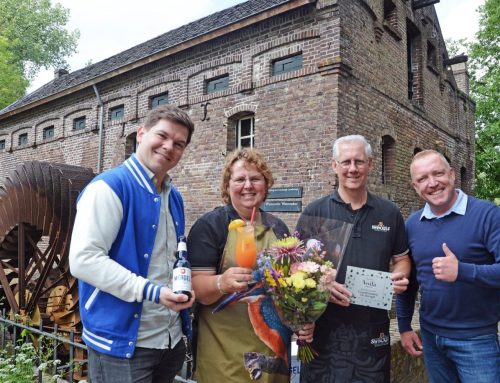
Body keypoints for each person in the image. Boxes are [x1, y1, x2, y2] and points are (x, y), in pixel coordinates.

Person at [69, 105, 196, 383]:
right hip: (122, 346)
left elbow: (170, 260)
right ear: (141, 134)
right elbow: (84, 260)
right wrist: (152, 292)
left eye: (178, 144)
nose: (168, 147)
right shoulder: (108, 188)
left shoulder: (173, 197)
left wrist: (184, 290)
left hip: (169, 339)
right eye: (161, 136)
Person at [188, 148, 314, 383]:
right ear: (228, 186)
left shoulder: (278, 228)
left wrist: (301, 319)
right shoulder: (210, 226)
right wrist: (221, 282)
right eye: (239, 179)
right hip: (224, 356)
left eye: (255, 179)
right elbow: (195, 289)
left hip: (273, 353)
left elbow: (289, 289)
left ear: (265, 186)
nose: (248, 185)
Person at [296, 134, 410, 383]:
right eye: (345, 162)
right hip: (323, 330)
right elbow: (296, 268)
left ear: (370, 164)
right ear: (334, 166)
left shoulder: (389, 213)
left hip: (372, 331)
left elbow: (401, 258)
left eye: (359, 161)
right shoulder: (315, 212)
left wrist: (400, 275)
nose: (352, 168)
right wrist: (321, 285)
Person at [396, 149, 500, 383]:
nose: (432, 183)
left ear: (452, 174)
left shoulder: (487, 215)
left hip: (477, 340)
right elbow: (408, 283)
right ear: (415, 187)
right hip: (431, 338)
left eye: (438, 174)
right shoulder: (413, 224)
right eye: (422, 179)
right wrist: (404, 326)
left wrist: (463, 271)